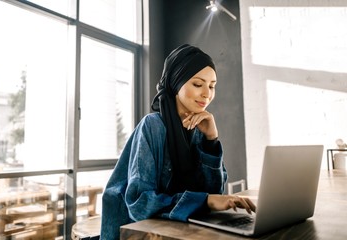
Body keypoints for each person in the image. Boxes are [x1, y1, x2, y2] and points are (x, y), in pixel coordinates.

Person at [100, 44, 256, 240]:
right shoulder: (152, 126)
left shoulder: (200, 127)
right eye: (198, 84)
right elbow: (140, 203)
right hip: (133, 232)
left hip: (175, 230)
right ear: (176, 83)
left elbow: (215, 193)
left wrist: (211, 140)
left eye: (212, 85)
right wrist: (205, 201)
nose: (207, 93)